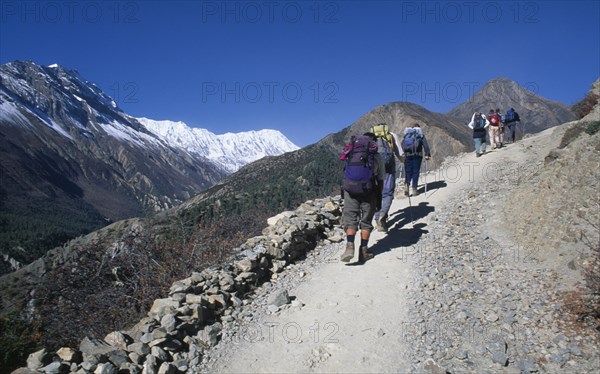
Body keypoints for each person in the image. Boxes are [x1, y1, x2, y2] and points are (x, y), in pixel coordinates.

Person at [340, 132, 385, 263]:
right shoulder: (376, 156)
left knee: (350, 218)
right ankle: (364, 251)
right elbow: (381, 179)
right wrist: (378, 196)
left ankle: (349, 247)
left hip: (350, 190)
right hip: (368, 190)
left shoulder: (352, 152)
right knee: (366, 221)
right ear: (373, 143)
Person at [370, 123, 401, 233]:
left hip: (374, 165)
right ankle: (383, 214)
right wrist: (403, 160)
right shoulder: (391, 135)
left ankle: (377, 217)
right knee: (387, 191)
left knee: (376, 191)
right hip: (388, 163)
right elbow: (399, 152)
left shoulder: (371, 136)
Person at [399, 123, 431, 197]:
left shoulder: (407, 134)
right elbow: (425, 145)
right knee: (415, 172)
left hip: (407, 156)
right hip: (417, 155)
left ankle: (406, 186)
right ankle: (414, 190)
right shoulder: (420, 134)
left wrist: (401, 155)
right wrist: (427, 154)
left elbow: (402, 145)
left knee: (408, 171)